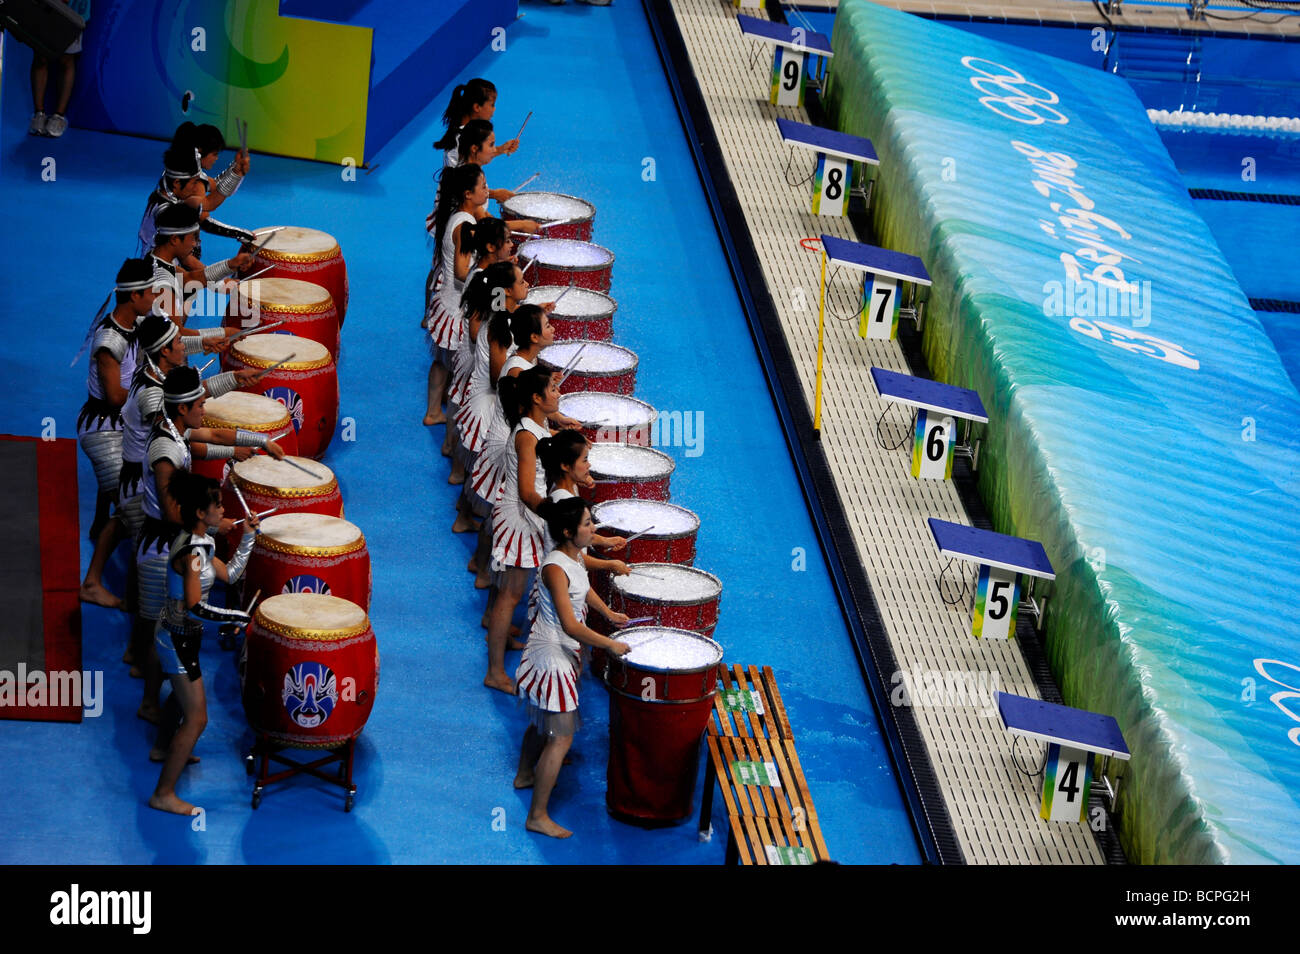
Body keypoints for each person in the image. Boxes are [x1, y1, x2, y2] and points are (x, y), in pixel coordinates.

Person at [135, 368, 283, 721]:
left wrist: (260, 441)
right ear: (183, 409)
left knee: (163, 630)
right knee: (164, 630)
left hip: (171, 542)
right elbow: (172, 513)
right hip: (161, 548)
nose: (206, 408)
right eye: (201, 404)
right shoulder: (165, 449)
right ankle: (154, 704)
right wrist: (215, 526)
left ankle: (153, 702)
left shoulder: (178, 430)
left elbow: (215, 433)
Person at [513, 495, 629, 838]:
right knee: (561, 738)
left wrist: (607, 613)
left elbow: (584, 589)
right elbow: (570, 624)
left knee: (540, 719)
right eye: (587, 524)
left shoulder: (573, 555)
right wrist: (609, 644)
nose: (593, 530)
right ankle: (537, 815)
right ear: (567, 531)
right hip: (552, 655)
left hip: (557, 651)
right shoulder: (553, 568)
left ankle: (524, 774)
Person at [148, 470, 258, 816]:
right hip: (176, 638)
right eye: (217, 505)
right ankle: (164, 793)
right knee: (197, 719)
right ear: (200, 512)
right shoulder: (194, 553)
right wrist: (236, 617)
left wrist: (249, 538)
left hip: (182, 636)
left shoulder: (200, 541)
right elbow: (195, 607)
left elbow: (231, 575)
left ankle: (163, 748)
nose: (223, 511)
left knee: (182, 700)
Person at [76, 259, 152, 607]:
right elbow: (115, 397)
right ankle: (98, 586)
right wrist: (156, 390)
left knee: (126, 491)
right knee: (137, 513)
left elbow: (168, 342)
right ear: (133, 295)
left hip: (122, 423)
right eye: (150, 292)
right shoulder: (110, 341)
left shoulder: (135, 323)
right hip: (103, 429)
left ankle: (98, 525)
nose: (155, 297)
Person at [484, 365, 556, 693]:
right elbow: (528, 492)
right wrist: (559, 517)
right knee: (510, 593)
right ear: (536, 399)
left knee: (509, 591)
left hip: (521, 516)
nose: (559, 394)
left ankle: (500, 645)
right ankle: (495, 672)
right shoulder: (527, 436)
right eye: (553, 390)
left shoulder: (535, 427)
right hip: (520, 520)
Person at [424, 164, 487, 427]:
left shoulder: (457, 216)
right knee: (460, 374)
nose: (487, 190)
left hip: (445, 301)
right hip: (456, 309)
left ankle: (432, 412)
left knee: (441, 362)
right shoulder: (466, 226)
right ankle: (452, 437)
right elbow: (462, 272)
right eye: (483, 187)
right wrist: (487, 270)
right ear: (467, 194)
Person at [27, 0, 92, 138]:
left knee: (67, 60)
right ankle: (39, 115)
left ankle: (59, 117)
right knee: (41, 57)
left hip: (74, 11)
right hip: (43, 9)